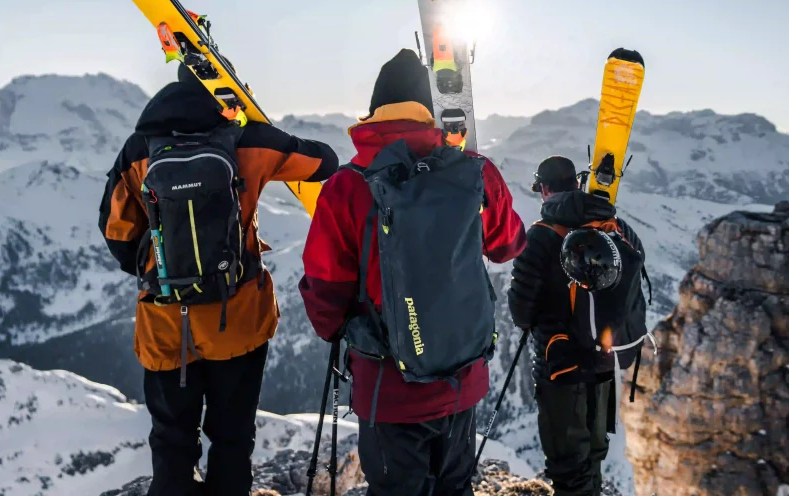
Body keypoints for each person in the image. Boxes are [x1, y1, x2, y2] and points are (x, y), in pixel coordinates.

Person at [100, 64, 339, 496]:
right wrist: (259, 129)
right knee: (232, 439)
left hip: (166, 324)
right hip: (238, 320)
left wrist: (159, 269)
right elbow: (325, 162)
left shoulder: (139, 148)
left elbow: (116, 233)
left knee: (172, 442)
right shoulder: (249, 141)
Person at [299, 49, 526, 496]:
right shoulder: (475, 172)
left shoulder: (347, 185)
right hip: (462, 377)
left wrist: (344, 333)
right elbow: (508, 246)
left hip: (388, 387)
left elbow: (324, 290)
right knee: (455, 485)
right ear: (430, 112)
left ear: (373, 114)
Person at [508, 156, 649, 496]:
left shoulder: (540, 237)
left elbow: (520, 313)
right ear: (577, 183)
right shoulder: (614, 226)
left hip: (561, 368)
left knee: (568, 466)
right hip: (604, 361)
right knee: (594, 457)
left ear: (544, 189)